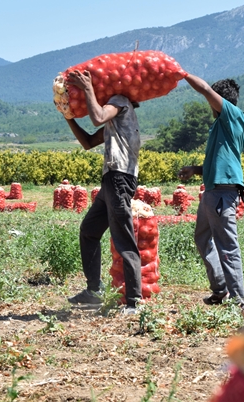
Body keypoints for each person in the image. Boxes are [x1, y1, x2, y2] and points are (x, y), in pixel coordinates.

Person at [64, 69, 143, 315]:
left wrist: (87, 88)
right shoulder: (115, 122)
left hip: (119, 178)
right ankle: (93, 290)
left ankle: (134, 301)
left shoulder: (120, 102)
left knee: (123, 239)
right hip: (111, 179)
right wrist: (68, 117)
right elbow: (88, 142)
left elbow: (97, 116)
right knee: (89, 230)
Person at [177, 74, 244, 307]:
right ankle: (220, 289)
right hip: (212, 191)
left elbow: (206, 89)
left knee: (227, 245)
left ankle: (238, 300)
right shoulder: (220, 127)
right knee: (202, 238)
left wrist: (184, 74)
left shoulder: (233, 116)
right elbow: (218, 161)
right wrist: (195, 170)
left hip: (222, 193)